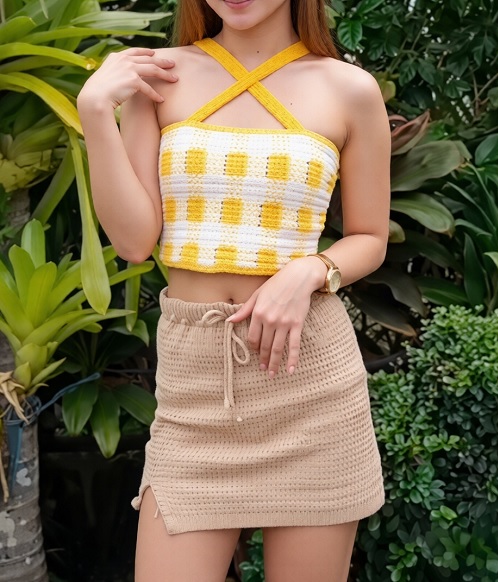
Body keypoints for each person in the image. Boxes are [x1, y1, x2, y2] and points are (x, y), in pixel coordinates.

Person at [77, 0, 390, 580]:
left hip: (307, 380)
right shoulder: (158, 78)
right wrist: (95, 112)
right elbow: (135, 241)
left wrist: (310, 271)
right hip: (193, 392)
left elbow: (370, 237)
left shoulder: (349, 89)